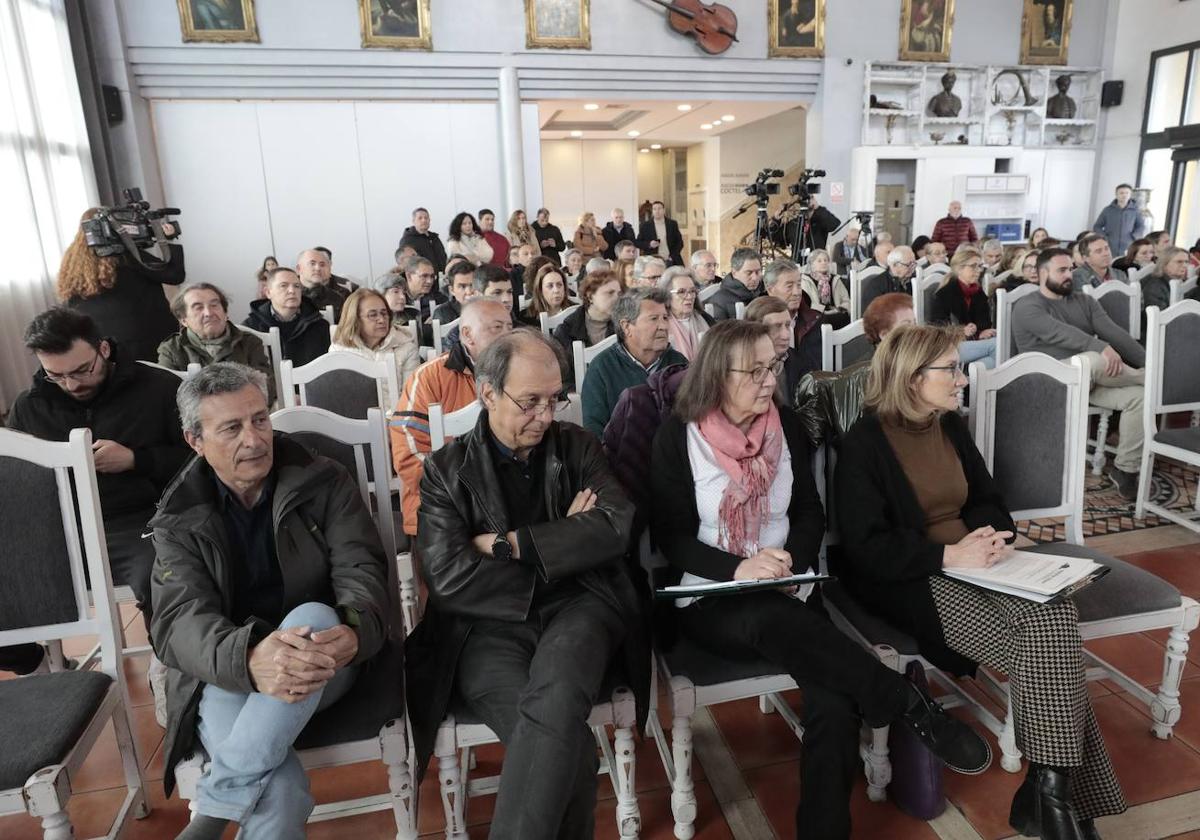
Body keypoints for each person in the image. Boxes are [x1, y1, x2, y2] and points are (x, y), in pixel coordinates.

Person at [651, 321, 991, 839]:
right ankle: (902, 701)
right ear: (718, 375)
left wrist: (790, 560)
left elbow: (809, 510)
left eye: (774, 366)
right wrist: (739, 568)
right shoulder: (680, 435)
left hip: (789, 585)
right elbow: (671, 537)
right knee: (765, 615)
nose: (770, 379)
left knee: (833, 703)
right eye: (756, 370)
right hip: (713, 597)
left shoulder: (784, 425)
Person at [834, 324, 1126, 840]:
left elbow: (987, 499)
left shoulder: (950, 427)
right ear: (910, 376)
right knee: (1050, 633)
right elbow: (866, 546)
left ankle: (1050, 793)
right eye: (951, 369)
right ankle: (1059, 807)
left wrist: (996, 537)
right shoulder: (866, 443)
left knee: (1053, 617)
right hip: (916, 577)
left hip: (981, 562)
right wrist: (949, 554)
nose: (963, 379)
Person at [406, 329, 648, 840]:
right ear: (487, 393)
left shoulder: (577, 445)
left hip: (580, 611)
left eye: (554, 399)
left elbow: (617, 525)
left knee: (557, 700)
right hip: (484, 630)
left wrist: (508, 544)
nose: (546, 416)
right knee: (572, 752)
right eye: (530, 401)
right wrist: (565, 548)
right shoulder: (446, 471)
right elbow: (448, 579)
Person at [151, 363, 390, 840]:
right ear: (195, 440)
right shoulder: (178, 516)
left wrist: (354, 629)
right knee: (275, 789)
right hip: (232, 670)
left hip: (324, 657)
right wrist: (250, 656)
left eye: (260, 419)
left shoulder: (322, 480)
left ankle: (212, 814)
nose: (255, 439)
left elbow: (362, 571)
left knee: (310, 618)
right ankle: (223, 809)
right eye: (232, 428)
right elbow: (178, 621)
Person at [2, 307, 189, 676]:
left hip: (144, 521)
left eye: (80, 370)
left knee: (168, 575)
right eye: (56, 375)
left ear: (103, 349)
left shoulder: (159, 388)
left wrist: (138, 460)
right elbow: (17, 483)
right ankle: (38, 668)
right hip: (59, 529)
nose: (71, 384)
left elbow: (200, 462)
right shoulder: (30, 405)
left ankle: (171, 668)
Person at [1013, 248, 1145, 498]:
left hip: (1087, 381)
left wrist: (1148, 360)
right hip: (1046, 380)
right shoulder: (1027, 306)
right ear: (1043, 273)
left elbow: (1115, 333)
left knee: (1140, 396)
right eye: (1061, 270)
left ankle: (1125, 469)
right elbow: (1060, 332)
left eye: (1071, 269)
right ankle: (1155, 379)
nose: (1069, 275)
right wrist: (1102, 347)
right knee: (1094, 360)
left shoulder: (1084, 301)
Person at [390, 298, 513, 539]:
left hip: (511, 504)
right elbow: (408, 454)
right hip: (440, 509)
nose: (508, 336)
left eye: (510, 327)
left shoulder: (519, 373)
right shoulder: (429, 377)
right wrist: (469, 495)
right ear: (467, 335)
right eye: (497, 328)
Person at [57, 208, 186, 362]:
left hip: (103, 346)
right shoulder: (124, 254)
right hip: (150, 339)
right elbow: (174, 275)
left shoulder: (71, 261)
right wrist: (167, 239)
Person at [793, 293, 916, 447]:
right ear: (885, 335)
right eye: (907, 325)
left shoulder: (919, 367)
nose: (916, 331)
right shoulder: (865, 378)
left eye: (915, 323)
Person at [581, 287, 688, 437]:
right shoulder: (602, 368)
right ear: (626, 327)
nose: (664, 326)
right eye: (653, 318)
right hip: (619, 457)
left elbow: (690, 420)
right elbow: (594, 431)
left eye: (665, 318)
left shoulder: (678, 364)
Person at [158, 283, 275, 403]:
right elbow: (166, 396)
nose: (208, 313)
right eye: (198, 307)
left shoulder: (249, 342)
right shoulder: (171, 349)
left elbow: (267, 388)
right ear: (183, 320)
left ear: (225, 313)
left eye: (214, 305)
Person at [330, 287, 420, 407]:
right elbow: (337, 397)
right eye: (372, 315)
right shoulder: (339, 350)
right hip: (353, 419)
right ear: (355, 319)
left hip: (395, 419)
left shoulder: (406, 347)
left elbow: (411, 398)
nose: (382, 320)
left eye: (384, 313)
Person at [243, 267, 331, 367]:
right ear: (268, 292)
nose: (292, 291)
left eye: (297, 286)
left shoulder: (319, 324)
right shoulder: (250, 328)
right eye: (283, 285)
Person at [930, 247, 997, 369]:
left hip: (973, 342)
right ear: (959, 269)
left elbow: (985, 321)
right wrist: (961, 331)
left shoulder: (978, 293)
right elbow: (936, 327)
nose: (978, 271)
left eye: (980, 266)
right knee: (997, 346)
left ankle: (969, 378)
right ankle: (971, 378)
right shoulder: (944, 294)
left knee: (993, 353)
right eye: (973, 266)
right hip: (950, 344)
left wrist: (982, 331)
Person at [552, 269, 622, 377]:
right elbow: (562, 376)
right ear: (590, 296)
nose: (617, 298)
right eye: (610, 293)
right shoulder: (566, 331)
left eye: (619, 293)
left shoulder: (625, 326)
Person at [745, 296, 812, 402]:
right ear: (755, 330)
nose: (786, 335)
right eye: (776, 327)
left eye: (787, 325)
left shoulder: (802, 362)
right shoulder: (741, 369)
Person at [660, 265, 712, 361]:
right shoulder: (660, 324)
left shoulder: (706, 319)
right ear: (667, 295)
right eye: (681, 292)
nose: (689, 296)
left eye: (692, 291)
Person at [708, 247, 765, 320]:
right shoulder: (719, 302)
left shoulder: (765, 293)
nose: (755, 278)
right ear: (734, 273)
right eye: (749, 273)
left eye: (757, 272)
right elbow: (721, 331)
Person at [1093, 183, 1149, 257]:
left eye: (1127, 193)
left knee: (1125, 264)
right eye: (1121, 193)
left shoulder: (1135, 211)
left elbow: (1141, 226)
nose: (1124, 195)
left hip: (1128, 245)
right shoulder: (1108, 210)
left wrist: (1134, 237)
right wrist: (1104, 237)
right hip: (1110, 245)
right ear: (1116, 195)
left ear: (1130, 195)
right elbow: (1097, 226)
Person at [800, 249, 851, 324]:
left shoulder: (836, 279)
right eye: (819, 261)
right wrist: (823, 311)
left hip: (836, 313)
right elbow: (806, 303)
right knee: (823, 320)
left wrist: (838, 309)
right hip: (816, 315)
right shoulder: (806, 280)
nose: (823, 263)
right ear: (812, 264)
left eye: (825, 260)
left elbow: (846, 300)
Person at [296, 248, 349, 321]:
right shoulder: (290, 295)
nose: (318, 268)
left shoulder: (337, 298)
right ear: (299, 269)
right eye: (312, 264)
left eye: (322, 265)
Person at [862, 245, 917, 313]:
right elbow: (874, 316)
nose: (912, 269)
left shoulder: (914, 280)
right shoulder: (876, 286)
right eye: (908, 265)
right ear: (894, 265)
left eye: (913, 264)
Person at [398, 207, 448, 273]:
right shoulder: (407, 240)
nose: (424, 220)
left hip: (440, 278)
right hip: (421, 278)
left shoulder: (434, 238)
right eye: (420, 218)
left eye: (426, 218)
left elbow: (443, 257)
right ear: (413, 221)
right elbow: (406, 264)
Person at [1141, 246, 1190, 311]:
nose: (1184, 265)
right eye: (1179, 262)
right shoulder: (1155, 286)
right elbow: (1159, 316)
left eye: (1186, 262)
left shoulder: (1182, 282)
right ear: (1164, 264)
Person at [636, 201, 684, 266]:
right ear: (652, 211)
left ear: (664, 210)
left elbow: (680, 242)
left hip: (670, 259)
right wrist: (649, 244)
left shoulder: (672, 224)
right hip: (652, 261)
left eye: (659, 208)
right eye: (654, 209)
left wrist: (672, 256)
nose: (657, 211)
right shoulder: (645, 225)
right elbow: (638, 243)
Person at [430, 262, 478, 327]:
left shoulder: (489, 309)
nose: (469, 292)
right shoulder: (442, 313)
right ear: (452, 290)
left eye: (473, 285)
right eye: (462, 287)